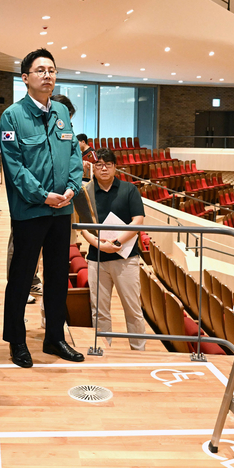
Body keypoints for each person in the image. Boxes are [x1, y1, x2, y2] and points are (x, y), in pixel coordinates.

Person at [0, 48, 85, 367]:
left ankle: (55, 338)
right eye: (40, 70)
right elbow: (14, 166)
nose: (48, 75)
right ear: (25, 78)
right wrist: (43, 195)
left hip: (62, 210)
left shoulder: (61, 112)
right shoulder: (13, 116)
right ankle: (17, 341)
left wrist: (72, 188)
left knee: (57, 277)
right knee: (22, 277)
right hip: (31, 211)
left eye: (52, 70)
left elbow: (74, 154)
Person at [78, 149, 148, 350]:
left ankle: (138, 351)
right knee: (99, 311)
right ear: (94, 167)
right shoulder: (86, 192)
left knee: (133, 309)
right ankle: (103, 349)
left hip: (125, 259)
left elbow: (138, 221)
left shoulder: (129, 189)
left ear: (115, 167)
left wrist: (117, 242)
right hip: (96, 259)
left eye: (108, 164)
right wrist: (100, 245)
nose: (104, 168)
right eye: (99, 164)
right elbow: (84, 227)